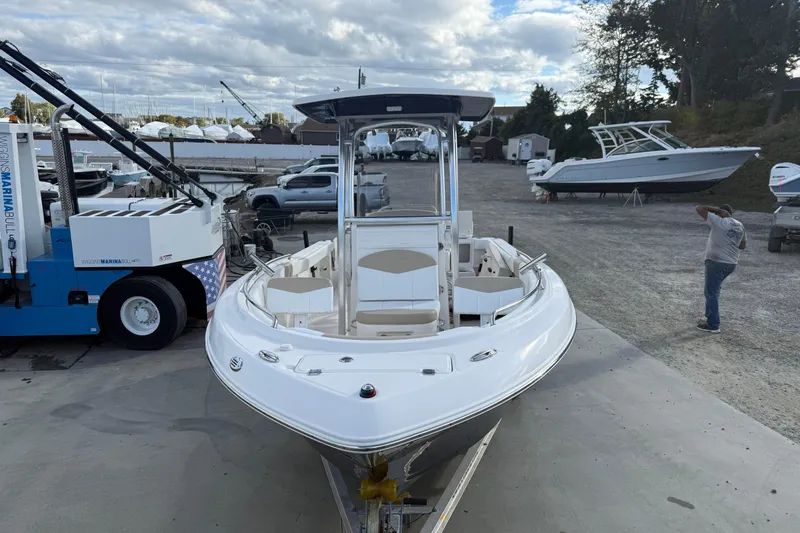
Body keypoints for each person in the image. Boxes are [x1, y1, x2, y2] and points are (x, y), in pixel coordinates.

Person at [695, 204, 746, 333]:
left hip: (716, 262)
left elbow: (699, 208)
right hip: (731, 263)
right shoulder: (739, 225)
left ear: (721, 213)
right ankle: (710, 317)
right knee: (714, 291)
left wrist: (717, 210)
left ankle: (713, 325)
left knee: (711, 293)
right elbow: (742, 245)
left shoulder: (719, 221)